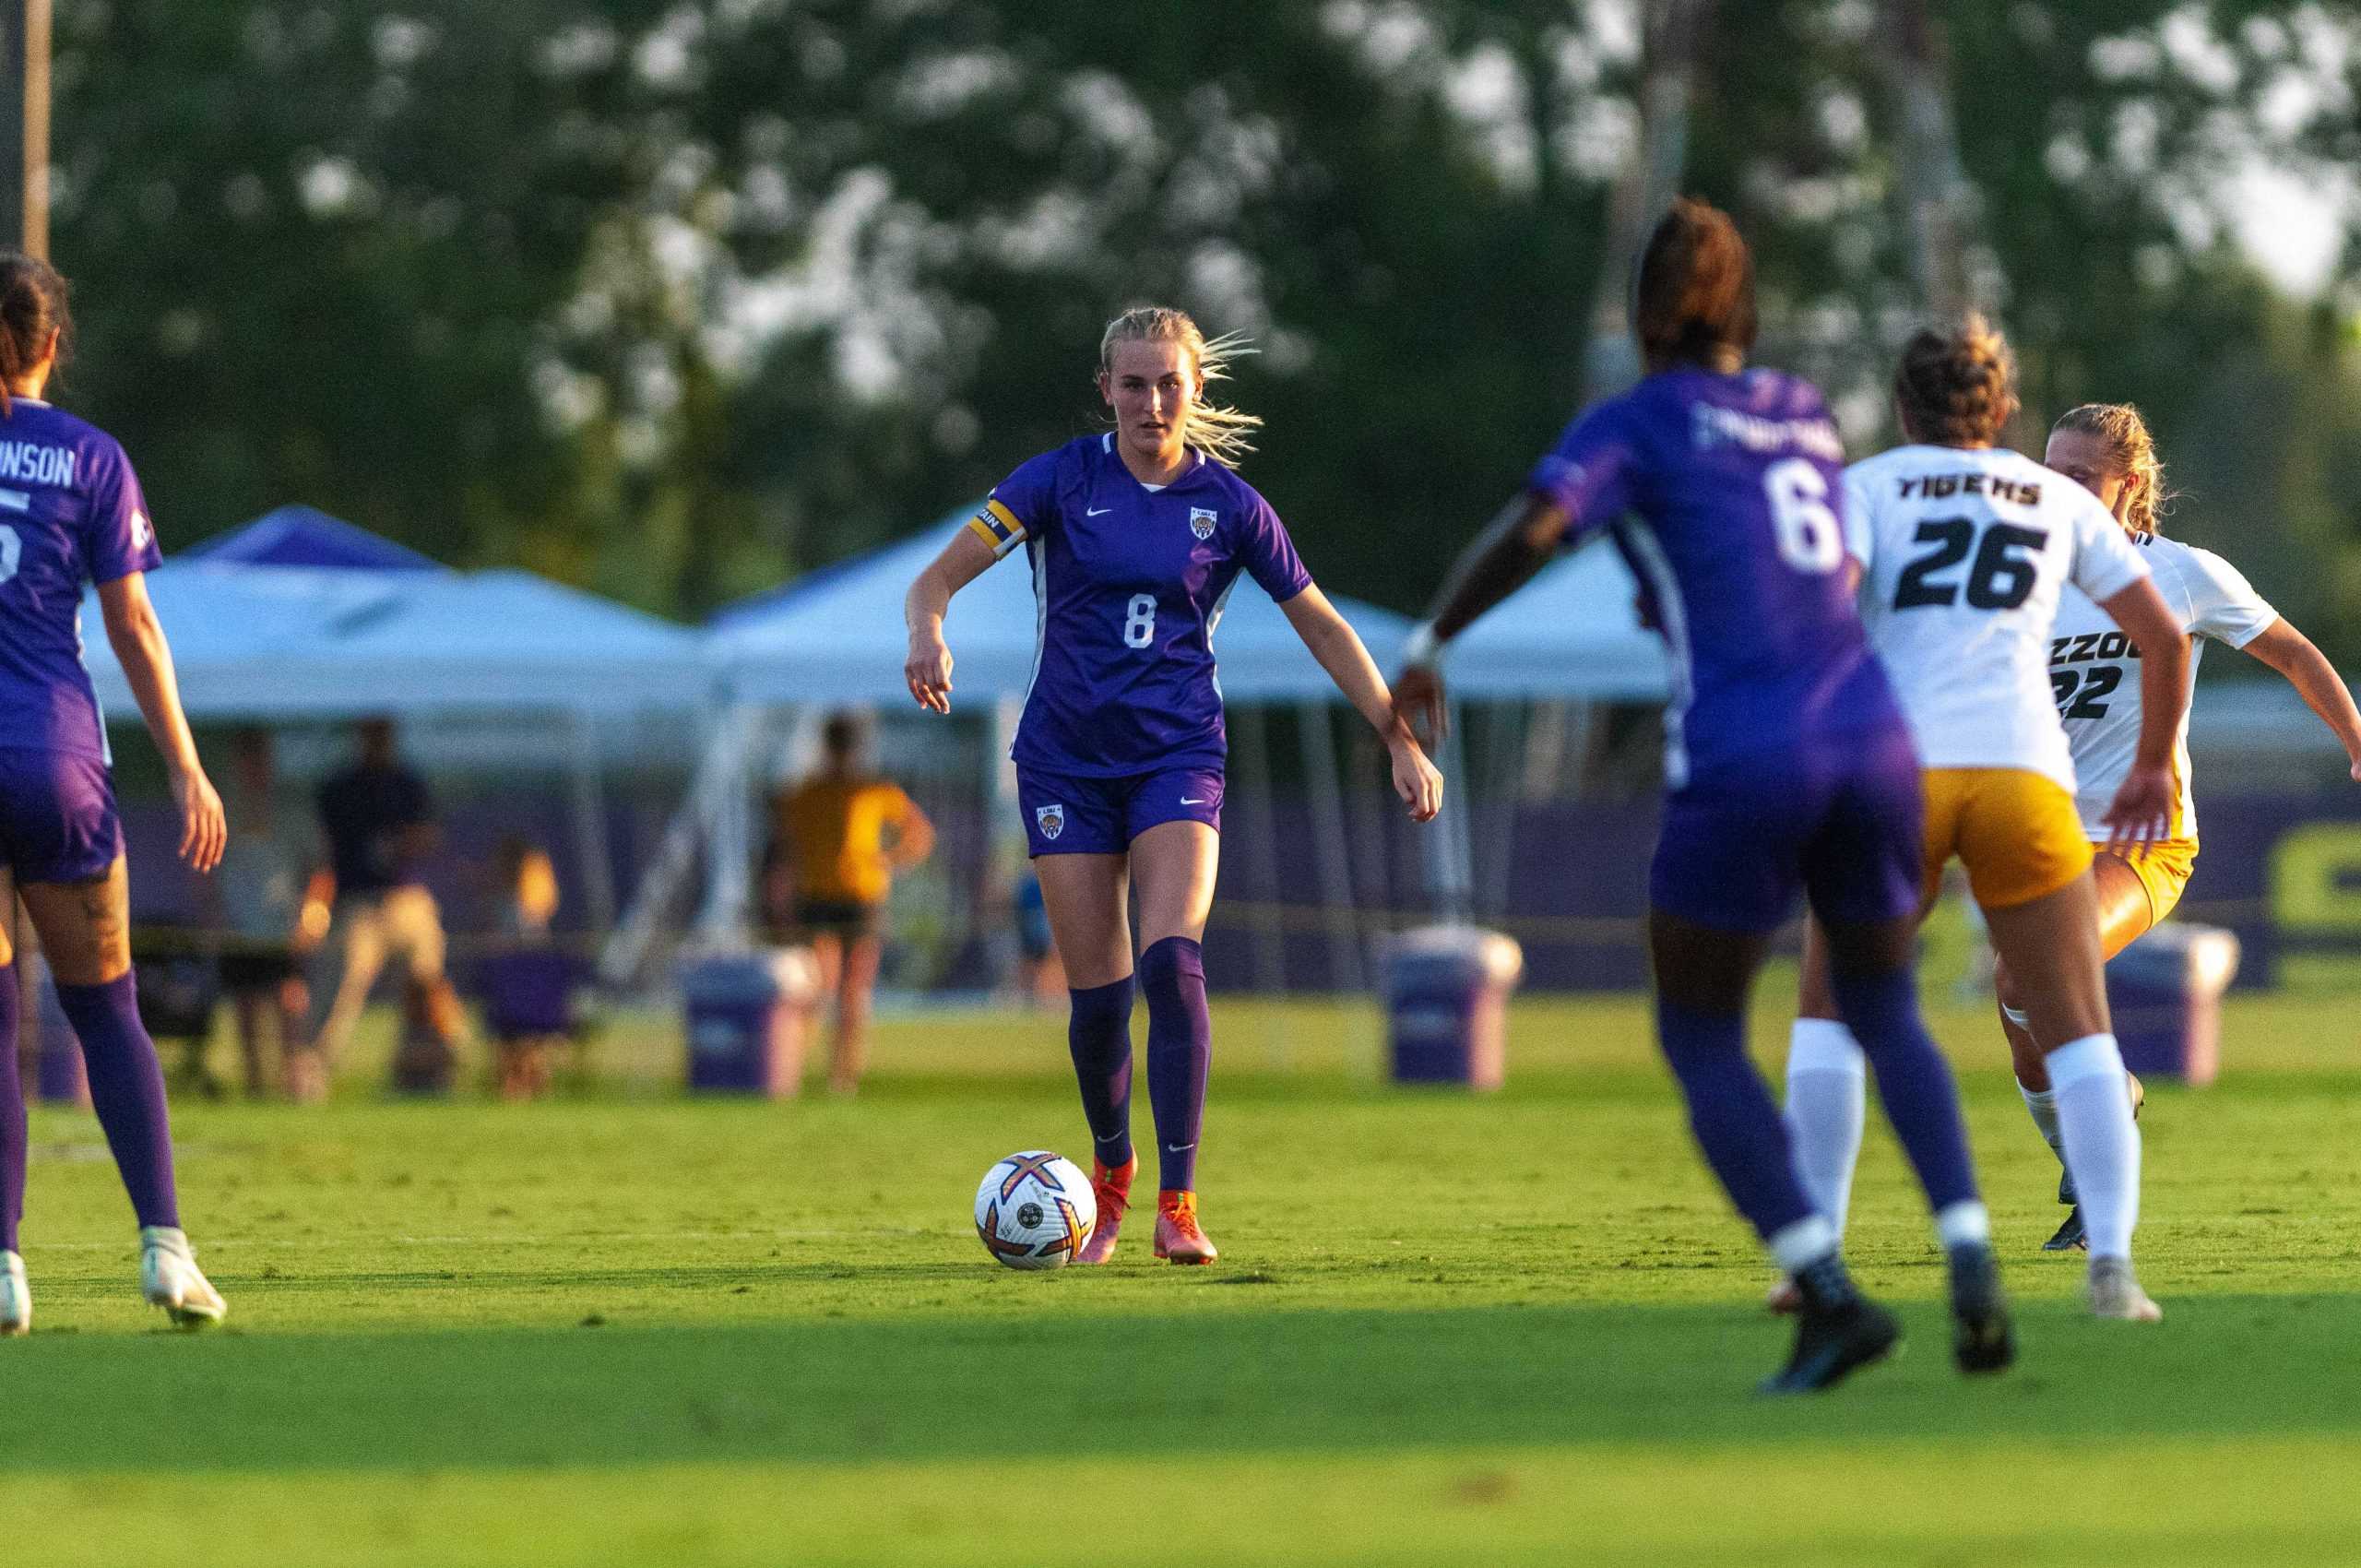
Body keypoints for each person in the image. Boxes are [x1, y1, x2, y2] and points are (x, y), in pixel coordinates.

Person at [1394, 199, 2006, 1394]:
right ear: (1748, 308)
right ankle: (1970, 1250)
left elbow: (1538, 528)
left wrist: (1432, 642)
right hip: (1876, 734)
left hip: (1749, 749)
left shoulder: (1641, 420)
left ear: (1642, 313)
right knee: (1887, 1007)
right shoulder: (1801, 413)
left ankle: (1827, 1294)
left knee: (1699, 1031)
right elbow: (1809, 567)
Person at [906, 303, 1443, 1266]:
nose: (1152, 401)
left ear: (1196, 391)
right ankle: (1108, 1188)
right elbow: (934, 579)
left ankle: (1178, 1202)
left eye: (1169, 383)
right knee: (1101, 997)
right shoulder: (1058, 481)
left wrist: (1397, 735)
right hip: (1064, 757)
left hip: (1177, 755)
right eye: (1134, 382)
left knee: (1173, 959)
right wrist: (927, 629)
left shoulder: (1231, 505)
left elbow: (1320, 621)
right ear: (1105, 388)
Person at [1779, 322, 2190, 1323]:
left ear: (1904, 407)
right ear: (2000, 411)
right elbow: (2164, 634)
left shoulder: (1867, 487)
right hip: (2022, 776)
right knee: (2077, 1023)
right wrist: (2147, 769)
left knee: (1831, 1011)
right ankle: (2114, 1272)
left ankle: (1812, 1262)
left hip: (1902, 772)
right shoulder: (2052, 495)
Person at [2004, 403, 2361, 1249]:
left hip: (2142, 843)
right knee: (2024, 1033)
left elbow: (2295, 654)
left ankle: (2103, 1179)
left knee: (2038, 977)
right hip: (2035, 837)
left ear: (2129, 488)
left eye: (2079, 477)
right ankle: (2104, 1130)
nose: (2058, 491)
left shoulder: (2181, 574)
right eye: (2047, 473)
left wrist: (2354, 737)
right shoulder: (2019, 577)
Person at [0, 252, 230, 1330]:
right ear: (53, 345)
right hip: (54, 760)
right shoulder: (91, 457)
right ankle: (165, 1250)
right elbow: (133, 624)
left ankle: (2, 1265)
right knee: (106, 1009)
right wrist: (185, 763)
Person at [763, 710, 933, 1095]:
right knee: (821, 986)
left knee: (852, 991)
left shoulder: (870, 789)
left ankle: (842, 1075)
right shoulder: (810, 791)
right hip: (820, 897)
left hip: (859, 897)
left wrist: (889, 859)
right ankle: (801, 1070)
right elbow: (787, 846)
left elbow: (919, 833)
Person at [309, 718, 461, 1077]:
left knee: (428, 983)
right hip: (360, 901)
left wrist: (404, 842)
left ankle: (433, 1066)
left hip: (405, 897)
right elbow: (325, 849)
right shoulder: (342, 786)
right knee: (340, 987)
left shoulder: (406, 782)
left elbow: (430, 834)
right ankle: (310, 1071)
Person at [211, 728, 322, 1099]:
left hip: (282, 925)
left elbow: (320, 866)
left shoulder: (289, 809)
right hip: (238, 926)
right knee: (245, 1007)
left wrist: (313, 911)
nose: (253, 768)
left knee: (290, 1003)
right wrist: (211, 912)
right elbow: (205, 868)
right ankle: (256, 1087)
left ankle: (296, 1086)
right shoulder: (219, 805)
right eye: (247, 759)